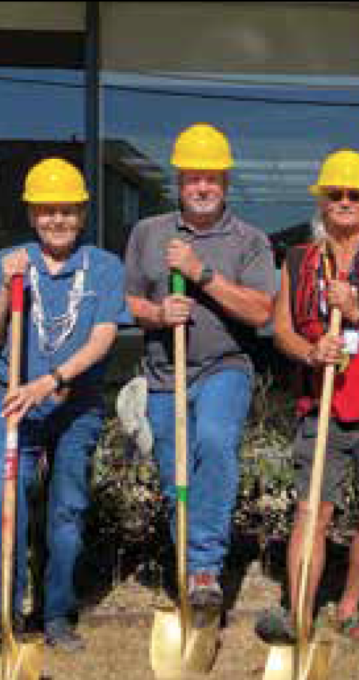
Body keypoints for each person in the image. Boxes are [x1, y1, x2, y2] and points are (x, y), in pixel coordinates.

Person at [255, 150, 359, 646]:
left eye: (355, 195)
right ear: (322, 205)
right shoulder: (300, 260)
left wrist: (358, 312)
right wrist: (310, 352)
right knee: (313, 510)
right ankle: (299, 613)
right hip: (322, 407)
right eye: (336, 195)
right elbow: (281, 328)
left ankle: (348, 607)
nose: (345, 202)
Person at [0, 158, 126, 652]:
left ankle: (56, 614)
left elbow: (102, 341)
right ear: (32, 214)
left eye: (67, 210)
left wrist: (50, 380)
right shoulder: (6, 262)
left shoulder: (104, 267)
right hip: (16, 406)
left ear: (81, 213)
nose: (58, 220)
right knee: (2, 500)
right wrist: (4, 296)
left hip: (78, 406)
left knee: (67, 511)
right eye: (47, 210)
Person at [124, 124, 276, 608]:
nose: (203, 187)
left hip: (222, 367)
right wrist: (155, 313)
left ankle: (205, 569)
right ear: (179, 182)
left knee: (212, 440)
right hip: (164, 373)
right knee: (176, 477)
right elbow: (123, 300)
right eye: (193, 178)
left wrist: (200, 273)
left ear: (226, 183)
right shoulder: (148, 233)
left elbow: (261, 311)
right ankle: (191, 569)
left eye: (212, 178)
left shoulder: (249, 241)